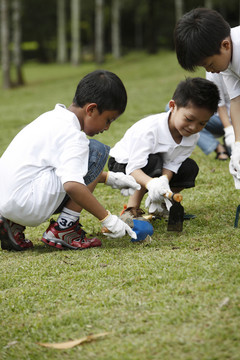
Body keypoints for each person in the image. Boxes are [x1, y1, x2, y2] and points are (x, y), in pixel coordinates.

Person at [0, 70, 141, 252]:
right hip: (28, 204)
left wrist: (108, 178)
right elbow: (72, 185)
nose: (107, 127)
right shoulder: (74, 137)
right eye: (108, 120)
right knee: (96, 151)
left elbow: (58, 169)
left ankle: (12, 224)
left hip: (6, 201)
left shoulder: (49, 118)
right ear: (91, 109)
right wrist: (107, 219)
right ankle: (65, 229)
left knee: (77, 164)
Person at [108, 77, 220, 219]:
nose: (194, 127)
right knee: (153, 161)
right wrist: (151, 183)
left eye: (202, 123)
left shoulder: (193, 136)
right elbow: (133, 167)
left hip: (154, 165)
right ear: (173, 106)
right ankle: (131, 209)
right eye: (189, 119)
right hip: (123, 165)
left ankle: (161, 205)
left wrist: (164, 181)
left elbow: (173, 163)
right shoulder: (149, 130)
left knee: (189, 167)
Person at [174, 7, 240, 184]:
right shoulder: (226, 58)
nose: (210, 71)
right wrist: (237, 144)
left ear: (225, 45)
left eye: (209, 64)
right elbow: (236, 100)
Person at [197, 71, 234, 160]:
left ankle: (228, 145)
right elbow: (220, 106)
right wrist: (230, 132)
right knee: (180, 112)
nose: (210, 69)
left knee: (233, 151)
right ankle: (218, 147)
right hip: (219, 119)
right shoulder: (213, 71)